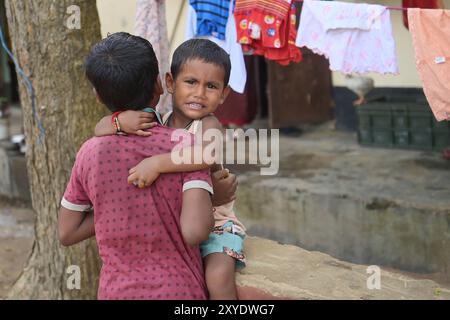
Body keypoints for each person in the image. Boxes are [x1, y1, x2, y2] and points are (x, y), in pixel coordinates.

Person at [58, 32, 215, 300]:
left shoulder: (90, 153)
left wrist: (115, 207)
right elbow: (197, 230)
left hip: (116, 292)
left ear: (97, 95)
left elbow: (67, 232)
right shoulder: (186, 146)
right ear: (158, 84)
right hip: (179, 291)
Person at [95, 39, 247, 300]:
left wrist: (157, 163)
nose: (199, 93)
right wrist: (119, 121)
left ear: (223, 94)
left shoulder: (209, 125)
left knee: (218, 279)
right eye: (190, 82)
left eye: (211, 86)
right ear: (169, 82)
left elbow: (207, 153)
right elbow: (98, 130)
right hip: (175, 226)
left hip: (217, 227)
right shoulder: (158, 120)